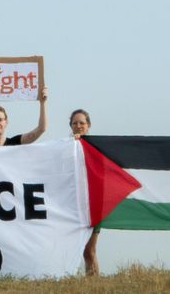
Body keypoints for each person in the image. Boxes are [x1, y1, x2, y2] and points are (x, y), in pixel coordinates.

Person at [69, 109, 100, 276]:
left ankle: (95, 286)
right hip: (73, 205)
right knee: (77, 249)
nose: (78, 126)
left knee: (89, 250)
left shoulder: (97, 147)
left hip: (94, 204)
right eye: (75, 123)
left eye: (82, 123)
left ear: (88, 126)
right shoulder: (65, 147)